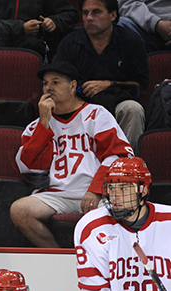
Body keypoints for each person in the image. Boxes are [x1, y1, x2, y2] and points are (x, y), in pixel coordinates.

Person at [10, 61, 133, 248]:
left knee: (123, 214)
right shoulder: (36, 126)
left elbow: (119, 156)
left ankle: (100, 263)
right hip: (56, 194)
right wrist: (44, 124)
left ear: (73, 86)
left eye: (56, 82)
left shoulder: (97, 115)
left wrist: (96, 189)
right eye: (45, 83)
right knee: (19, 210)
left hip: (96, 193)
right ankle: (57, 257)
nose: (48, 88)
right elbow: (28, 167)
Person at [75, 157, 171, 291]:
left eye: (124, 188)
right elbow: (93, 285)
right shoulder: (91, 227)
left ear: (143, 190)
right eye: (111, 188)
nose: (115, 196)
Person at [54, 0, 149, 152]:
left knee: (133, 109)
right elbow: (56, 84)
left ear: (113, 15)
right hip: (81, 105)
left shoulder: (131, 41)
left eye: (96, 12)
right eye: (85, 13)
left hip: (119, 101)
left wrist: (109, 84)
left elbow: (142, 87)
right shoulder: (69, 43)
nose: (89, 18)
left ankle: (126, 164)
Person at [0, 0, 78, 60]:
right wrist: (21, 27)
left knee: (34, 45)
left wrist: (54, 21)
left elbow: (70, 14)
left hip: (30, 41)